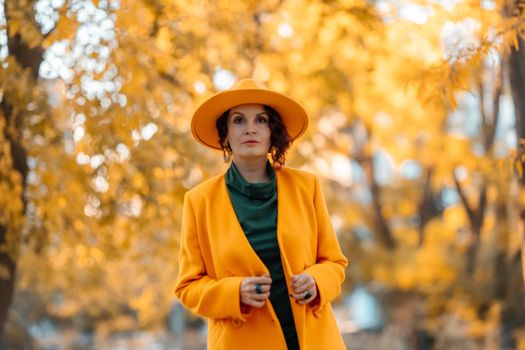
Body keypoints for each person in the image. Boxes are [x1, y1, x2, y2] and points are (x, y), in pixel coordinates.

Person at [174, 79, 348, 350]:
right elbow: (187, 287)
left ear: (272, 132)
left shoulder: (307, 186)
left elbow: (334, 263)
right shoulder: (199, 201)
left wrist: (317, 280)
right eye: (239, 121)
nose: (251, 129)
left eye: (261, 120)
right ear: (226, 134)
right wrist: (234, 292)